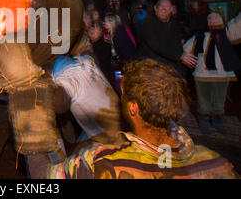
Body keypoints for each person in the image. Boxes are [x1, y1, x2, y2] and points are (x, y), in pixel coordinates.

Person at [25, 59, 239, 179]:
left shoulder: (102, 162)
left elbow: (44, 177)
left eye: (124, 93)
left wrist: (28, 122)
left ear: (133, 108)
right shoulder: (218, 164)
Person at [183, 11, 241, 135]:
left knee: (219, 100)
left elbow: (237, 23)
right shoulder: (199, 36)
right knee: (203, 100)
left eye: (216, 18)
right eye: (210, 18)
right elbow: (185, 50)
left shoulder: (227, 33)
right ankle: (204, 123)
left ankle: (218, 122)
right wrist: (183, 53)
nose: (213, 20)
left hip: (222, 74)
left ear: (223, 20)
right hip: (202, 75)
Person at [138, 0, 197, 77]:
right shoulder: (148, 23)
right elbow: (156, 45)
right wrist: (180, 55)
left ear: (172, 9)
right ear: (155, 8)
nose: (164, 9)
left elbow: (176, 43)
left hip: (173, 70)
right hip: (153, 71)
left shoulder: (174, 23)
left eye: (167, 7)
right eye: (161, 6)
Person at [87, 22, 117, 89]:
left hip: (106, 82)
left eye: (96, 28)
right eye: (91, 27)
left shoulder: (105, 45)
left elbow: (99, 63)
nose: (92, 29)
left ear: (101, 32)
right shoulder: (87, 45)